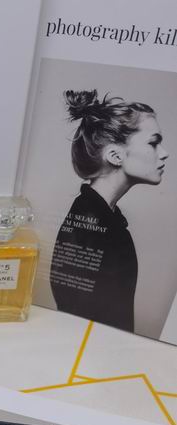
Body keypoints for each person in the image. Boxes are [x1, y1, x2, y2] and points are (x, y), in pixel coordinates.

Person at [50, 90, 169, 332]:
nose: (164, 153)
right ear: (115, 155)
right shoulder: (89, 224)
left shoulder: (104, 219)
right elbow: (80, 321)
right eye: (153, 143)